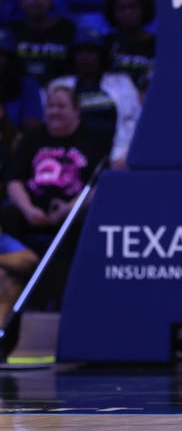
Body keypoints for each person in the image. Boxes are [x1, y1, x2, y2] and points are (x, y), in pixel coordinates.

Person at [0, 85, 111, 310]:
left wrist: (69, 208)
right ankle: (12, 290)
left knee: (87, 222)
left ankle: (71, 300)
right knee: (7, 214)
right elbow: (13, 181)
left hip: (75, 210)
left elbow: (101, 183)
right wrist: (28, 209)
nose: (54, 112)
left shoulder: (96, 138)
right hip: (32, 211)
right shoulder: (32, 138)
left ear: (76, 110)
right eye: (50, 106)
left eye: (61, 106)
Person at [48, 28, 142, 170]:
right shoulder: (59, 85)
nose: (85, 57)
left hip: (116, 153)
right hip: (70, 154)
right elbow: (51, 124)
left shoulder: (122, 83)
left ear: (102, 55)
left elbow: (134, 122)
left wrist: (124, 154)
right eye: (80, 52)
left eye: (91, 52)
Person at [9, 0, 76, 90]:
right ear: (21, 1)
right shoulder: (11, 32)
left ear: (51, 0)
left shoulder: (67, 29)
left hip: (59, 94)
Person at [103, 0, 156, 97]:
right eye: (121, 8)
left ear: (144, 9)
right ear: (113, 12)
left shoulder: (157, 45)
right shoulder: (106, 43)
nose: (127, 13)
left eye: (133, 7)